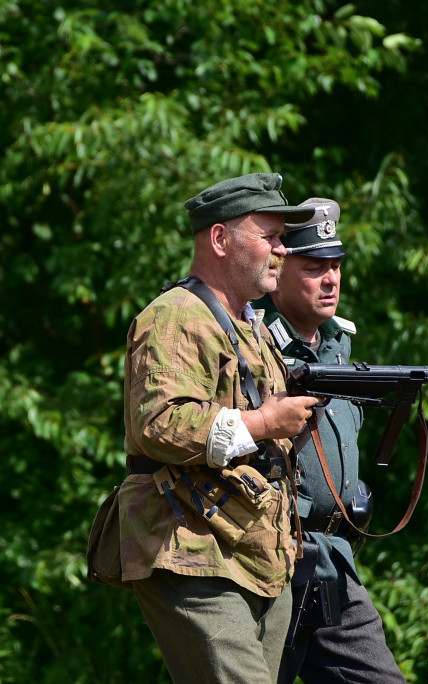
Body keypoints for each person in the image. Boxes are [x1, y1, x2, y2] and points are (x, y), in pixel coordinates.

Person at [118, 173, 322, 684]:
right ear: (219, 239)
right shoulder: (176, 316)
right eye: (269, 237)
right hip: (190, 544)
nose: (281, 250)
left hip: (254, 550)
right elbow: (158, 422)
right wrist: (263, 421)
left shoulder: (251, 327)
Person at [252, 198, 406, 683]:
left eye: (335, 266)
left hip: (332, 559)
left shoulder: (339, 342)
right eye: (314, 267)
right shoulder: (248, 338)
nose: (331, 279)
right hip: (268, 559)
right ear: (278, 267)